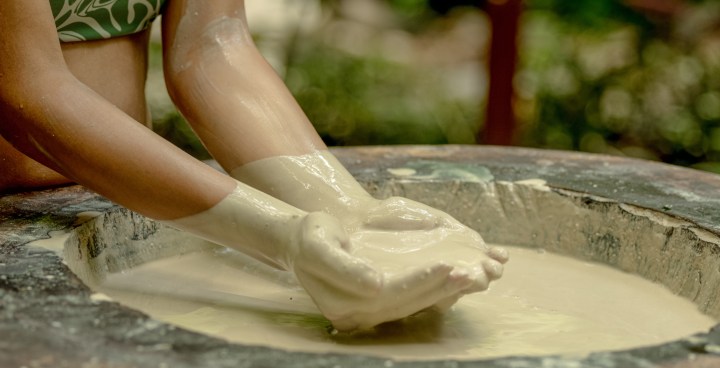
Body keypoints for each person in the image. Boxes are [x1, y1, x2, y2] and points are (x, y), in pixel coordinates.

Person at [0, 0, 508, 331]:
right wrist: (282, 237)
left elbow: (210, 45)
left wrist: (347, 210)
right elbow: (28, 91)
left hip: (102, 199)